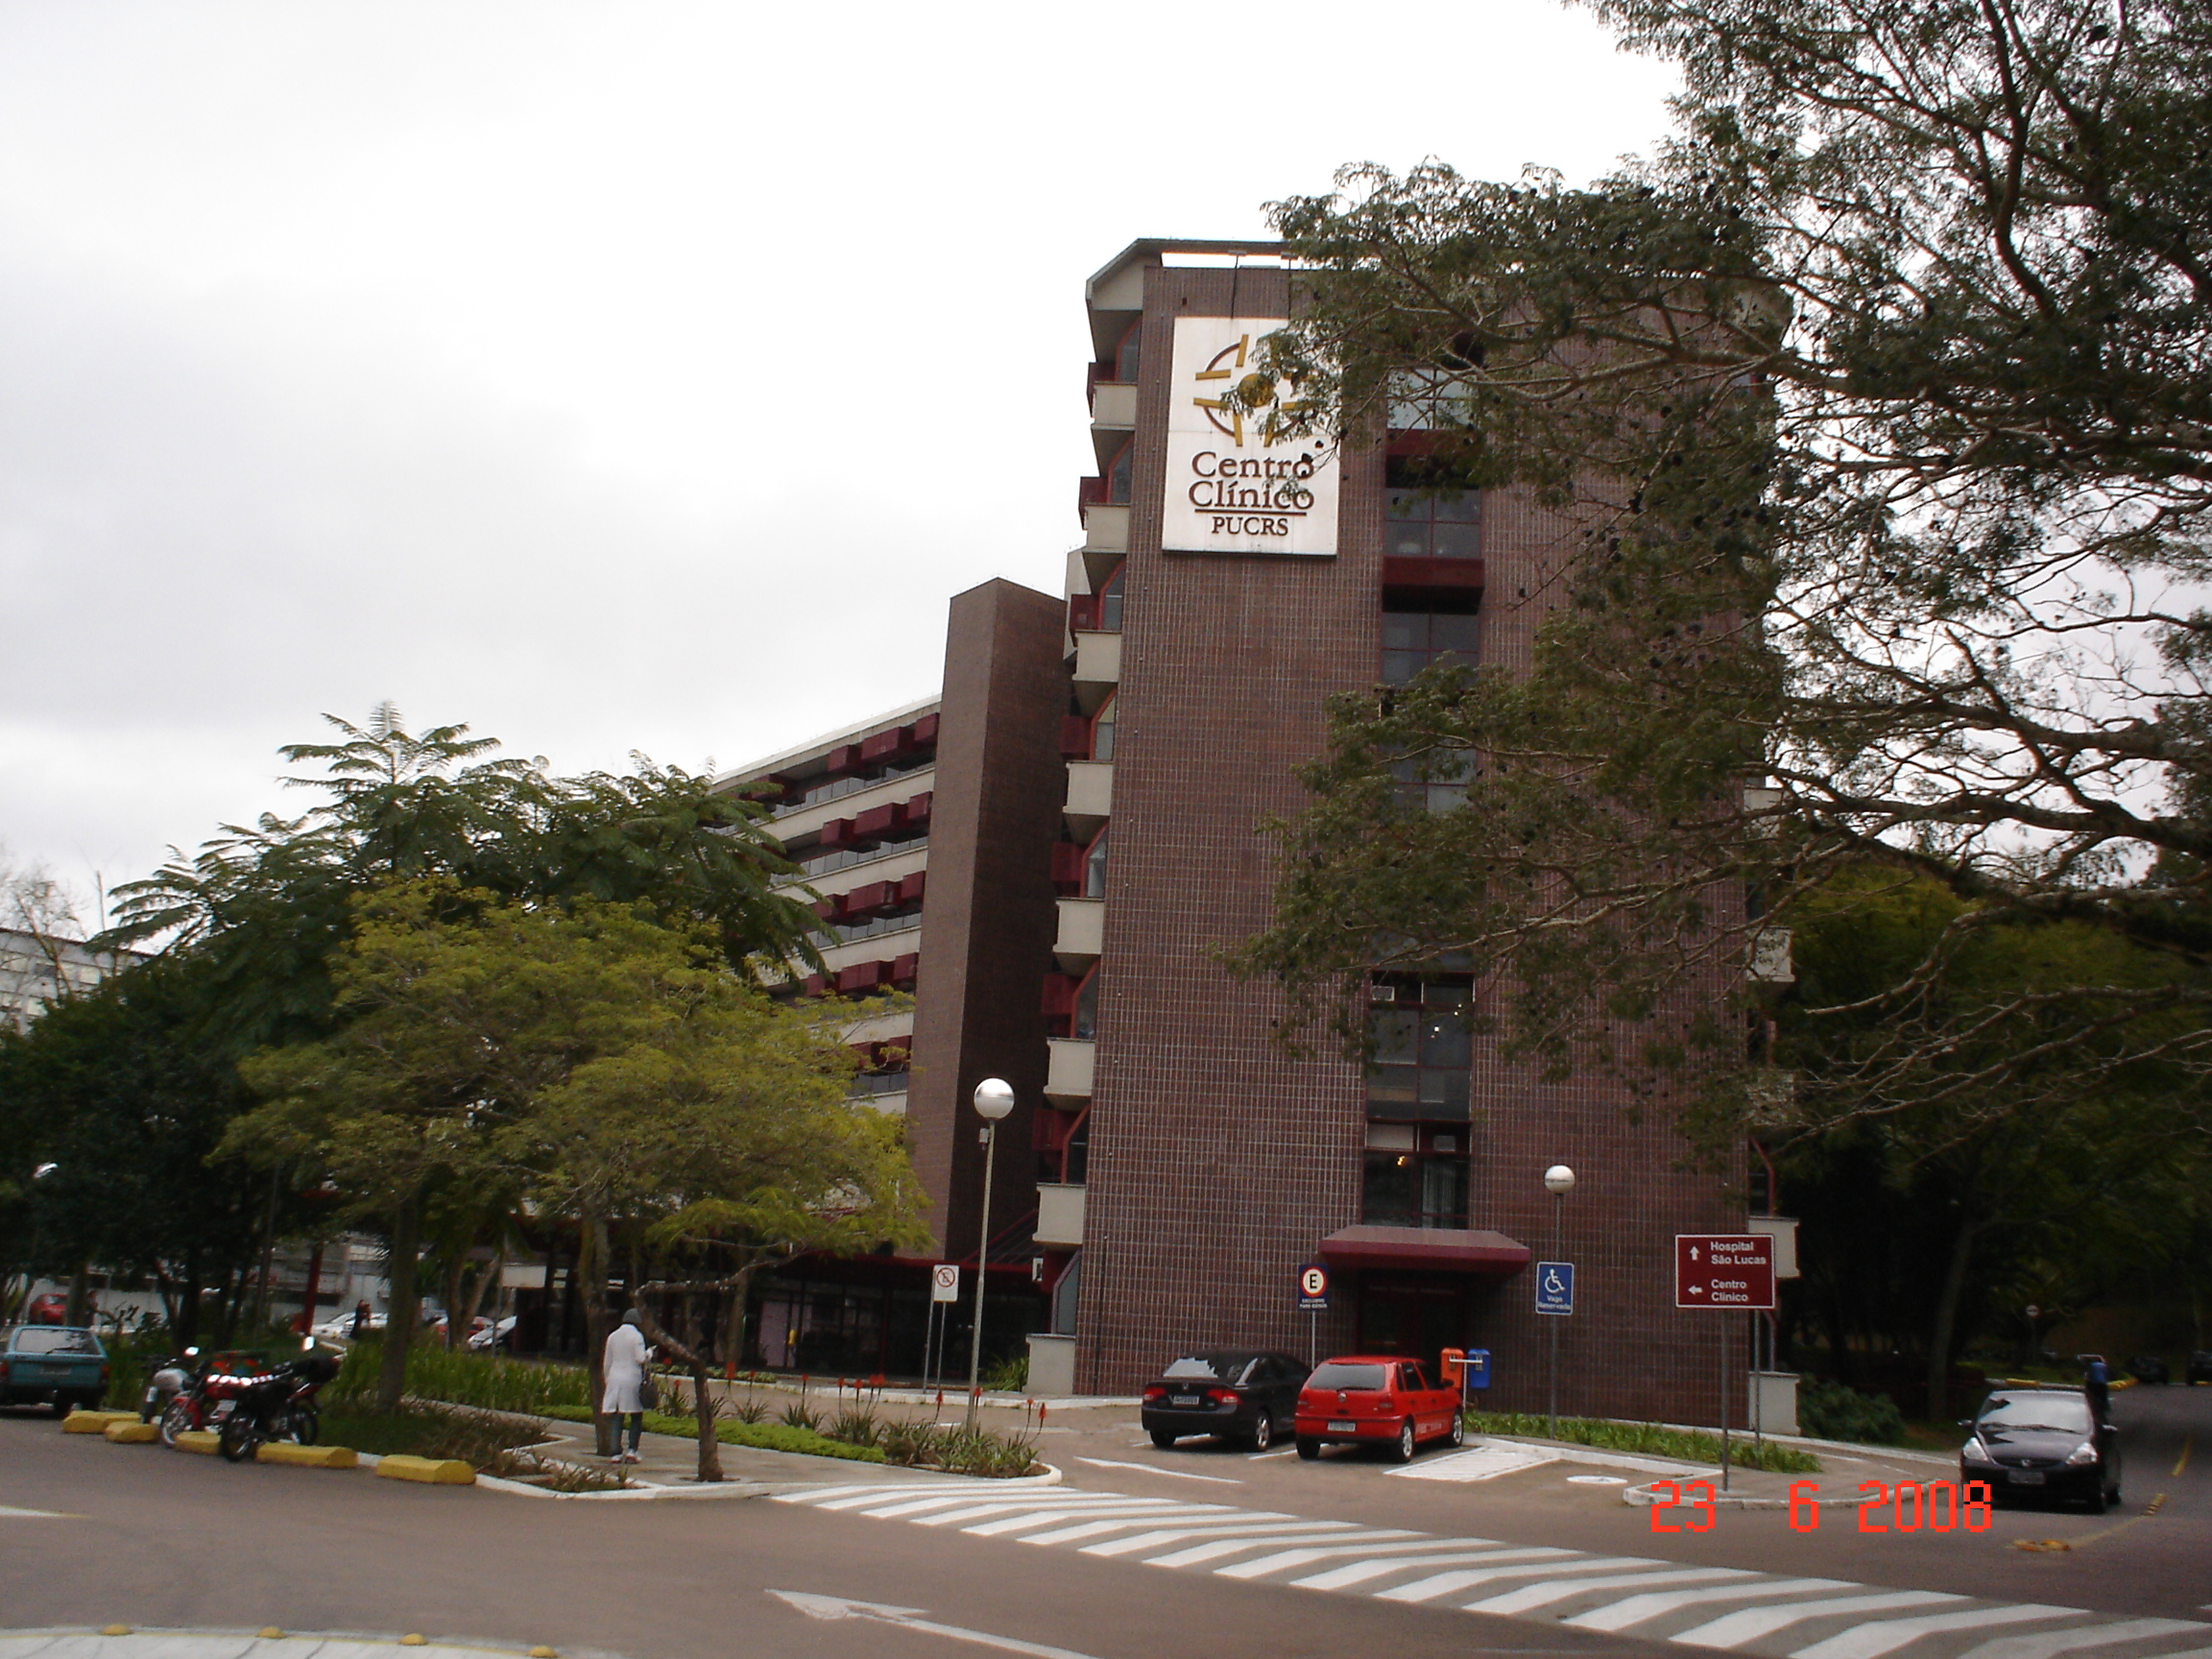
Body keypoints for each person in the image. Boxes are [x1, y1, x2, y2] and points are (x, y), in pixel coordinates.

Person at [602, 1310, 654, 1464]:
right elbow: (640, 1358)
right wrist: (649, 1353)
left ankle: (615, 1452)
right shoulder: (636, 1336)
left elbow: (607, 1362)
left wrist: (607, 1379)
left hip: (614, 1378)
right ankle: (632, 1450)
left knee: (617, 1416)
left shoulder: (612, 1336)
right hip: (631, 1379)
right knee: (635, 1416)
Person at [2083, 1354, 2110, 1423]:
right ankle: (2105, 1407)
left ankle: (2092, 1406)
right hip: (2102, 1383)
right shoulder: (2104, 1366)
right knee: (2103, 1397)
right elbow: (2106, 1375)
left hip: (2094, 1383)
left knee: (2092, 1395)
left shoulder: (2092, 1365)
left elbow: (2089, 1374)